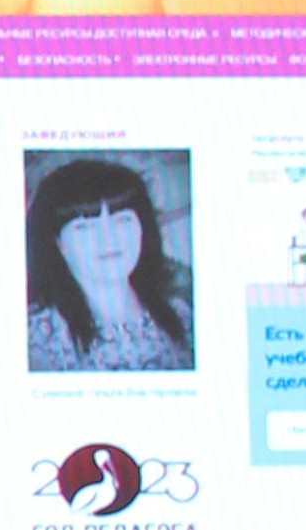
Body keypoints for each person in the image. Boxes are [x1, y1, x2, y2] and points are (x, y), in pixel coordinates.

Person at [26, 157, 192, 373]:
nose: (109, 239)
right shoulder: (38, 337)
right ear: (57, 242)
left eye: (122, 220)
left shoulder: (181, 314)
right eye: (84, 227)